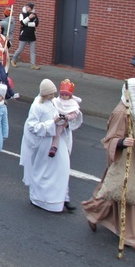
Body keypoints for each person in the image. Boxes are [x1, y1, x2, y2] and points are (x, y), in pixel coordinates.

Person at [82, 78, 135, 253]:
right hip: (126, 161)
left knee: (115, 195)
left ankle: (94, 213)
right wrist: (122, 142)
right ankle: (134, 237)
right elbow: (110, 139)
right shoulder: (121, 113)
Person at [20, 79, 83, 213]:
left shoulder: (52, 102)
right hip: (45, 143)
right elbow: (32, 126)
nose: (54, 97)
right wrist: (51, 123)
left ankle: (63, 198)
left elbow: (67, 111)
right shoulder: (37, 105)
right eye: (51, 94)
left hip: (58, 141)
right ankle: (39, 199)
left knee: (63, 169)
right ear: (45, 94)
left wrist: (65, 120)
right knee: (43, 172)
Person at [50, 80, 82, 156]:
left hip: (63, 123)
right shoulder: (57, 100)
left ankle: (54, 147)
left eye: (66, 95)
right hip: (55, 120)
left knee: (58, 134)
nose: (64, 96)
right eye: (63, 94)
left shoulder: (72, 103)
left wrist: (68, 117)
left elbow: (74, 114)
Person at [11, 3, 40, 69]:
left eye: (28, 7)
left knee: (32, 51)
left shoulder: (35, 15)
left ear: (31, 8)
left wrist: (27, 24)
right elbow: (22, 23)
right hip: (24, 34)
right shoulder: (22, 14)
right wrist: (29, 18)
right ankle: (13, 60)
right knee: (20, 49)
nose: (27, 8)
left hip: (32, 34)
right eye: (26, 7)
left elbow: (36, 24)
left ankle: (33, 64)